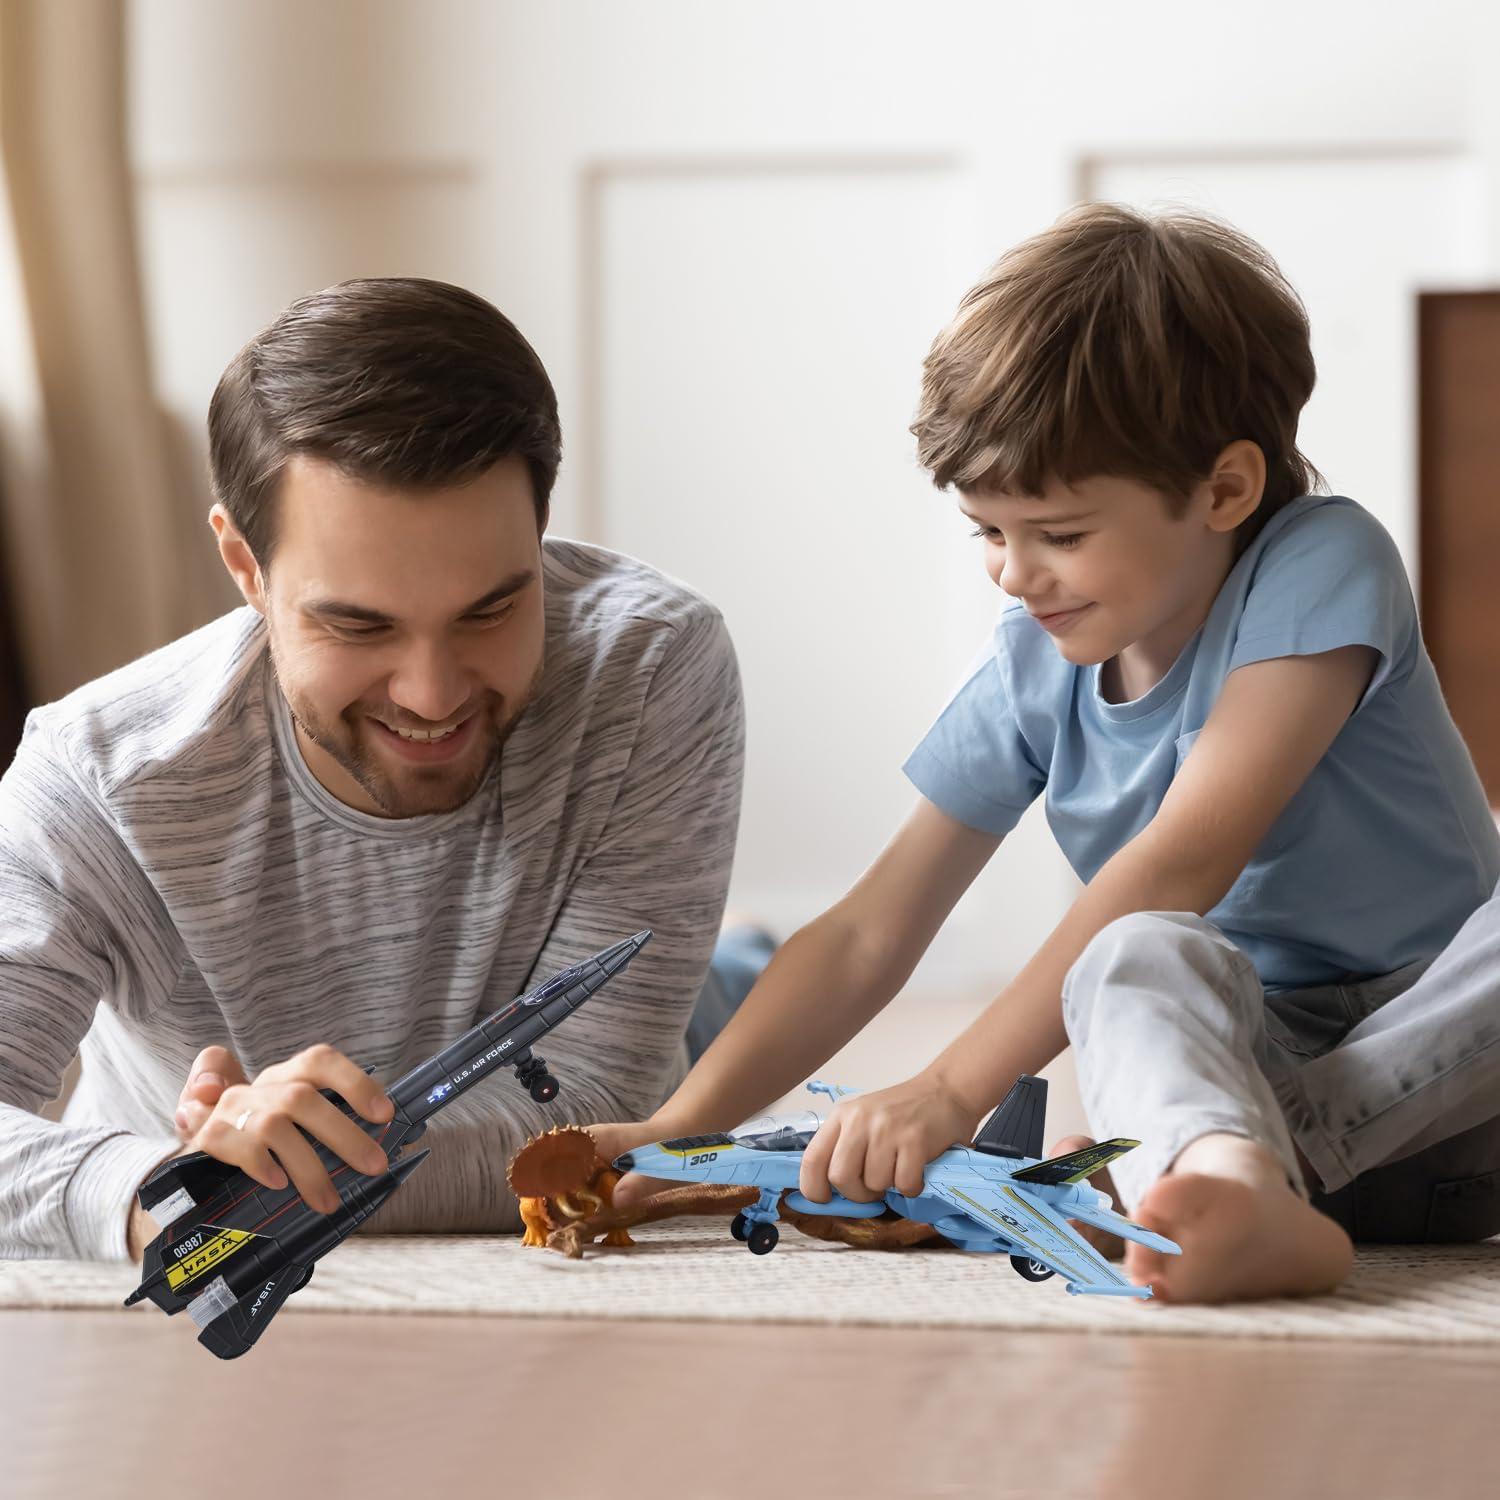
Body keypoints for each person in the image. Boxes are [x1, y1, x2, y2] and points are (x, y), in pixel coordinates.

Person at [592, 203, 1500, 1303]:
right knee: (1128, 957)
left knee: (1143, 917)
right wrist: (683, 1128)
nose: (1016, 576)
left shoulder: (1324, 560)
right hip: (1229, 1128)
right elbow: (871, 930)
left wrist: (949, 1090)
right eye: (989, 531)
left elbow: (1184, 855)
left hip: (1460, 1095)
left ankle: (1256, 1163)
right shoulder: (1034, 662)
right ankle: (1228, 1187)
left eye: (1060, 534)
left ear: (1225, 490)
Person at [0, 277, 745, 1263]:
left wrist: (269, 1190)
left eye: (490, 610)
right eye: (358, 626)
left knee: (732, 1010)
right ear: (245, 566)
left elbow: (599, 1116)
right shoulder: (96, 778)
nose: (433, 696)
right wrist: (163, 1191)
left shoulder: (649, 665)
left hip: (638, 994)